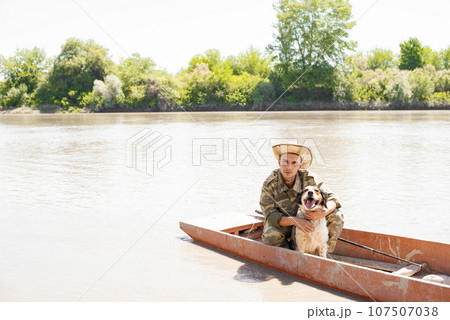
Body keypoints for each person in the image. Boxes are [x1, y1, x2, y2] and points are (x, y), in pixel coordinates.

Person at [259, 144, 344, 252]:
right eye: (285, 162)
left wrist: (323, 212)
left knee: (337, 216)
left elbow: (333, 198)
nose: (289, 167)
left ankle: (325, 252)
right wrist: (295, 221)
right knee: (271, 235)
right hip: (286, 225)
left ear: (300, 165)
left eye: (294, 163)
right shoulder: (270, 184)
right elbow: (270, 216)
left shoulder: (309, 178)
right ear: (279, 162)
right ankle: (288, 252)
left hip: (310, 221)